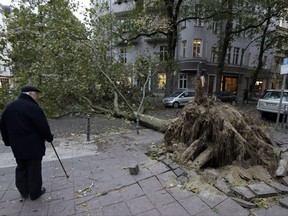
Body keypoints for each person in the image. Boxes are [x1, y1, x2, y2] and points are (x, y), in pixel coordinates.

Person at [0, 84, 53, 200]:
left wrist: (7, 141)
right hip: (33, 145)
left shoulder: (9, 107)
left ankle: (24, 191)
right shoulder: (33, 108)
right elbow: (43, 126)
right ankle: (35, 193)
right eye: (36, 95)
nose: (37, 97)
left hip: (17, 145)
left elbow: (2, 126)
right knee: (34, 169)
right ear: (30, 93)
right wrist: (49, 138)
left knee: (21, 167)